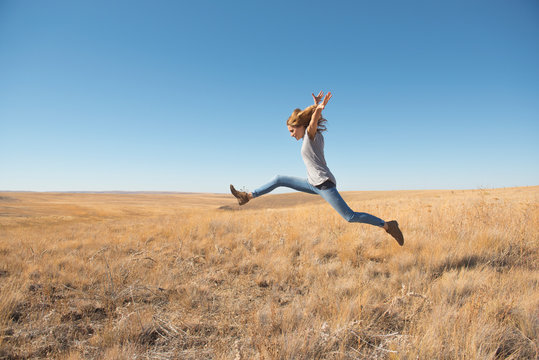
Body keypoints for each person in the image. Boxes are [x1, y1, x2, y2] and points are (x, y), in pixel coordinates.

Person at [230, 91, 404, 246]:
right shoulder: (310, 135)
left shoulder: (310, 135)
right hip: (312, 183)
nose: (291, 135)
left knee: (350, 217)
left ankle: (388, 225)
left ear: (301, 127)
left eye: (292, 131)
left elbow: (312, 122)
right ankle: (247, 196)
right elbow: (312, 120)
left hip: (323, 184)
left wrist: (318, 109)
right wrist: (315, 106)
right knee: (278, 179)